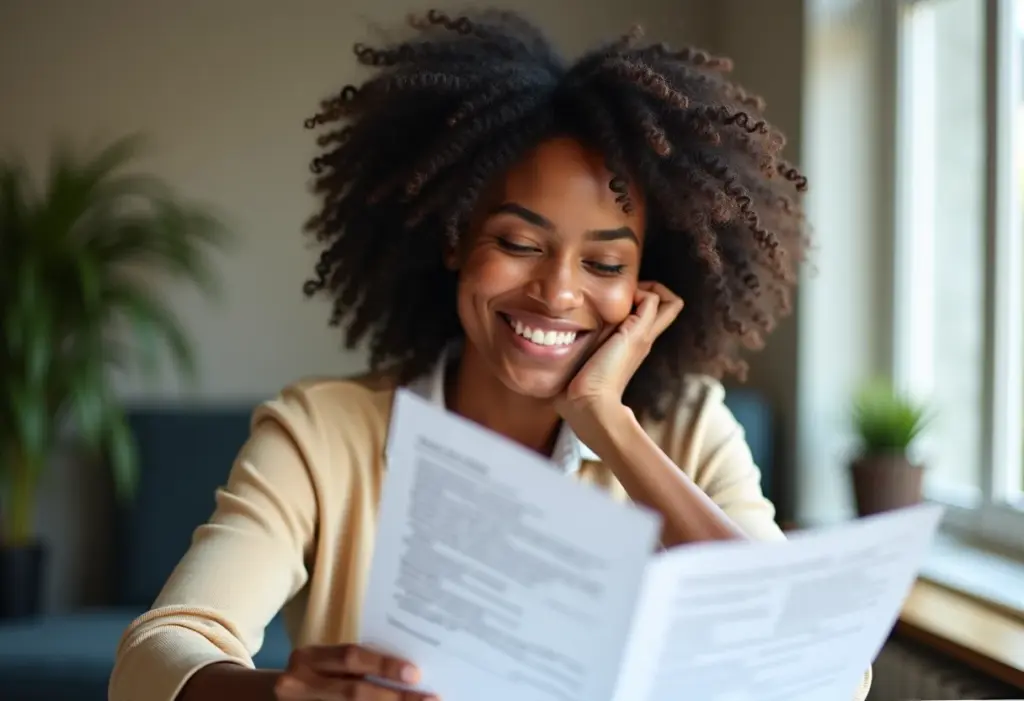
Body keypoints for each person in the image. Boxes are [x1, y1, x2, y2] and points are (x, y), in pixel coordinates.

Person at [109, 8, 872, 701]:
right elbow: (151, 659)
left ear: (646, 282)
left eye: (604, 263)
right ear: (454, 240)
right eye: (517, 242)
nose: (557, 291)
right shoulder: (322, 435)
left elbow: (825, 674)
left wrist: (607, 422)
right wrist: (281, 696)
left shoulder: (687, 428)